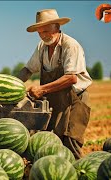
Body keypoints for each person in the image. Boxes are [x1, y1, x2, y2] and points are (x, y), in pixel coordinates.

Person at [17, 9, 92, 159]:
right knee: (51, 141)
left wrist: (42, 89)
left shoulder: (70, 45)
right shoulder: (42, 47)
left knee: (71, 142)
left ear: (57, 27)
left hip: (74, 101)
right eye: (40, 32)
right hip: (55, 102)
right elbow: (28, 70)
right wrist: (12, 82)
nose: (43, 35)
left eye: (46, 31)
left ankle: (78, 171)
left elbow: (71, 78)